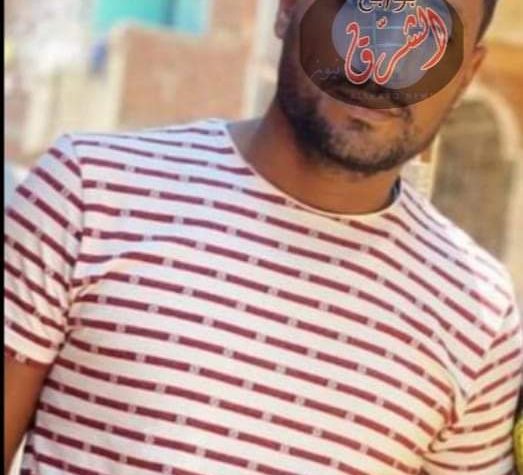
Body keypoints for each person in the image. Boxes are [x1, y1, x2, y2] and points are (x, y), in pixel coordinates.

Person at [5, 1, 523, 474]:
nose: (381, 66)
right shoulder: (90, 190)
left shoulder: (479, 315)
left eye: (429, 37)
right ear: (287, 9)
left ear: (466, 73)